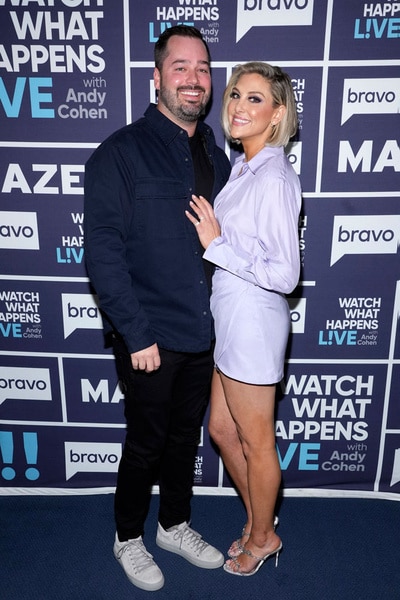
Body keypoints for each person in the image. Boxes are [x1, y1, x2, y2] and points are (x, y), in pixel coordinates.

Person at [84, 25, 231, 592]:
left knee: (182, 438)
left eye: (202, 69)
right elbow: (103, 254)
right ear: (156, 78)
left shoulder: (214, 156)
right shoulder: (120, 152)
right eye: (180, 67)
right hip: (149, 337)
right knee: (145, 441)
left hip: (203, 331)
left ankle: (174, 524)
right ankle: (127, 536)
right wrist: (136, 333)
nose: (193, 79)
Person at [186, 61, 301, 576]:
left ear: (277, 116)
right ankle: (261, 520)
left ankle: (262, 538)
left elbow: (285, 273)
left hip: (254, 324)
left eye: (255, 99)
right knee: (222, 430)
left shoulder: (273, 175)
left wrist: (218, 246)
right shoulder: (246, 167)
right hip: (230, 319)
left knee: (256, 442)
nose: (238, 106)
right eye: (235, 95)